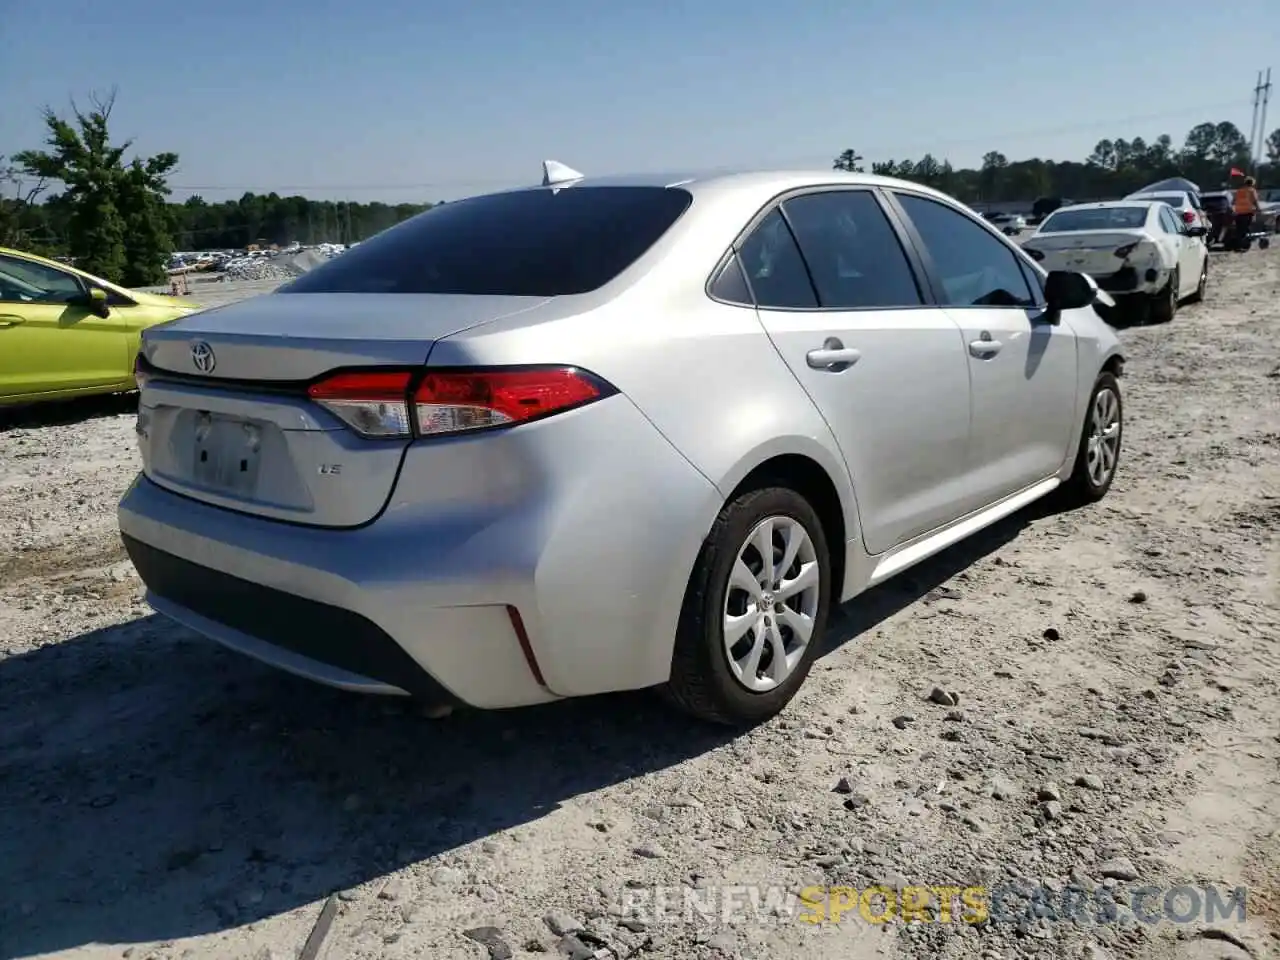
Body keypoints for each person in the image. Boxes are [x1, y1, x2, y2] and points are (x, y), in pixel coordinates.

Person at [1231, 176, 1260, 251]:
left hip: (1238, 212)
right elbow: (1255, 201)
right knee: (1246, 229)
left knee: (1239, 230)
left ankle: (1237, 245)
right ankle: (1244, 245)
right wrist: (1259, 209)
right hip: (1247, 212)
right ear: (1252, 183)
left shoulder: (1239, 190)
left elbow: (1233, 201)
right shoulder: (1251, 190)